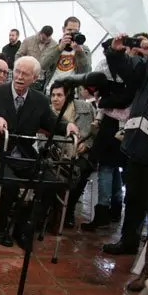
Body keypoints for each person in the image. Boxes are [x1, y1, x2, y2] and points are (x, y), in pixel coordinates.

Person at [0, 56, 79, 248]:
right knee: (10, 185)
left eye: (25, 74)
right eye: (17, 72)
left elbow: (51, 121)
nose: (19, 77)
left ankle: (23, 226)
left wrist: (67, 126)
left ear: (35, 78)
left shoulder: (39, 100)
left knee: (50, 182)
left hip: (24, 155)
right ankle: (0, 229)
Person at [102, 36, 148, 255]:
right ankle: (129, 241)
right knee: (133, 197)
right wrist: (116, 53)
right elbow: (128, 73)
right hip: (137, 146)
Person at [47, 82, 95, 228]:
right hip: (56, 154)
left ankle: (69, 210)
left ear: (67, 96)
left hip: (80, 154)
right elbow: (43, 139)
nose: (55, 99)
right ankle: (55, 211)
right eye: (53, 95)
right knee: (57, 171)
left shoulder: (85, 108)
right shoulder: (48, 112)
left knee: (81, 170)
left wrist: (87, 145)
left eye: (59, 95)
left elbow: (94, 131)